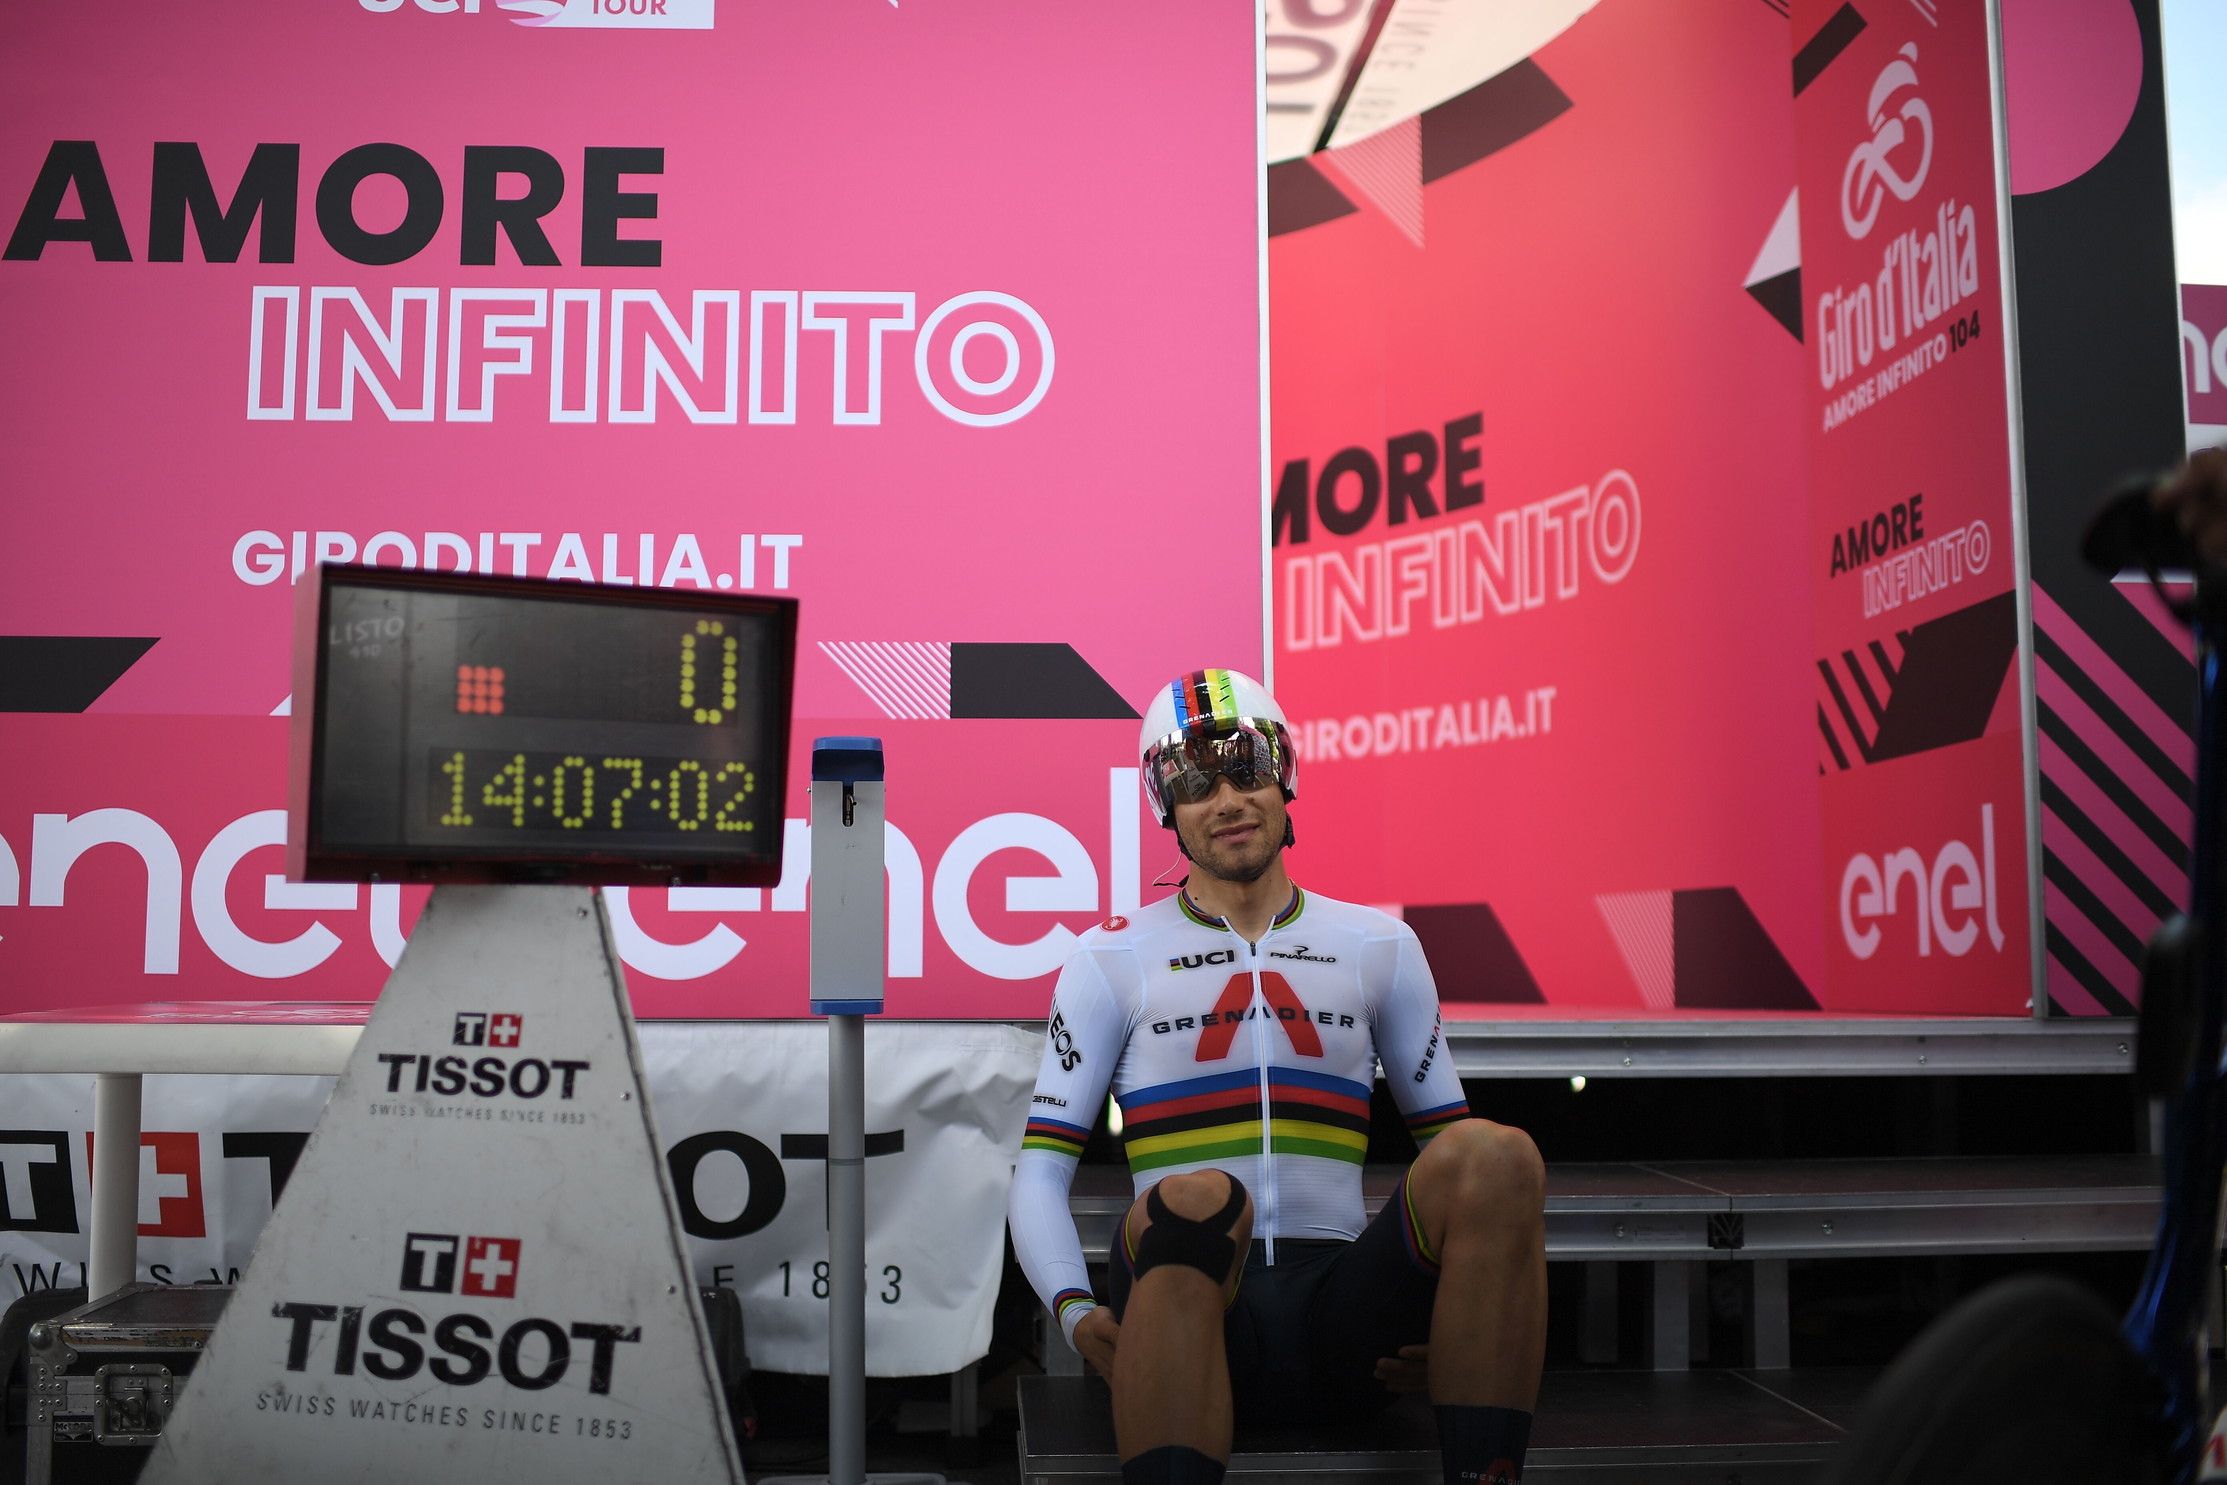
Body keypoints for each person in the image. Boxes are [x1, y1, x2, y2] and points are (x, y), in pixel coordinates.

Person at [1007, 668, 1547, 1485]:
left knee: (1497, 1155)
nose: (1225, 798)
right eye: (1194, 780)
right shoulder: (1107, 957)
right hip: (1192, 1309)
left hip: (1346, 1322)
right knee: (1193, 1197)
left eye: (1245, 768)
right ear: (1167, 808)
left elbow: (1459, 1169)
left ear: (1284, 775)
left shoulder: (1378, 944)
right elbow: (1040, 1171)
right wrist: (1076, 1314)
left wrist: (1458, 1319)